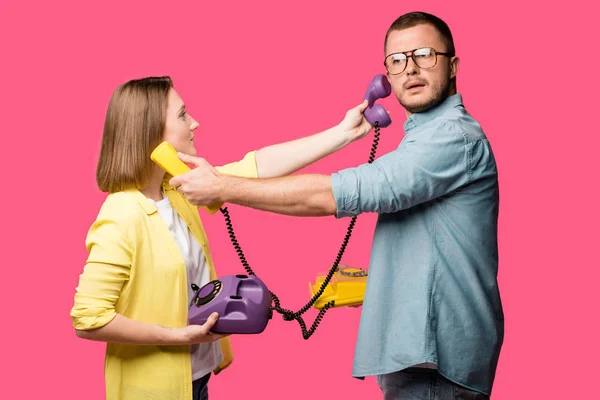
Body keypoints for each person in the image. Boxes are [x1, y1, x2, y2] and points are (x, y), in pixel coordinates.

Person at [169, 11, 504, 400]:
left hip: (433, 365)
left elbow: (336, 194)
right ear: (386, 76)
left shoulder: (450, 137)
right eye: (397, 61)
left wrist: (222, 188)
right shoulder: (421, 138)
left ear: (453, 64)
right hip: (419, 359)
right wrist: (378, 279)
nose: (410, 69)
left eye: (425, 54)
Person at [69, 76, 374, 400]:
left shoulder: (176, 192)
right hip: (156, 390)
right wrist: (178, 336)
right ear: (152, 132)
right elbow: (88, 318)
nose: (194, 123)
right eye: (183, 115)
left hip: (196, 380)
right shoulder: (122, 215)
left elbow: (255, 168)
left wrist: (343, 133)